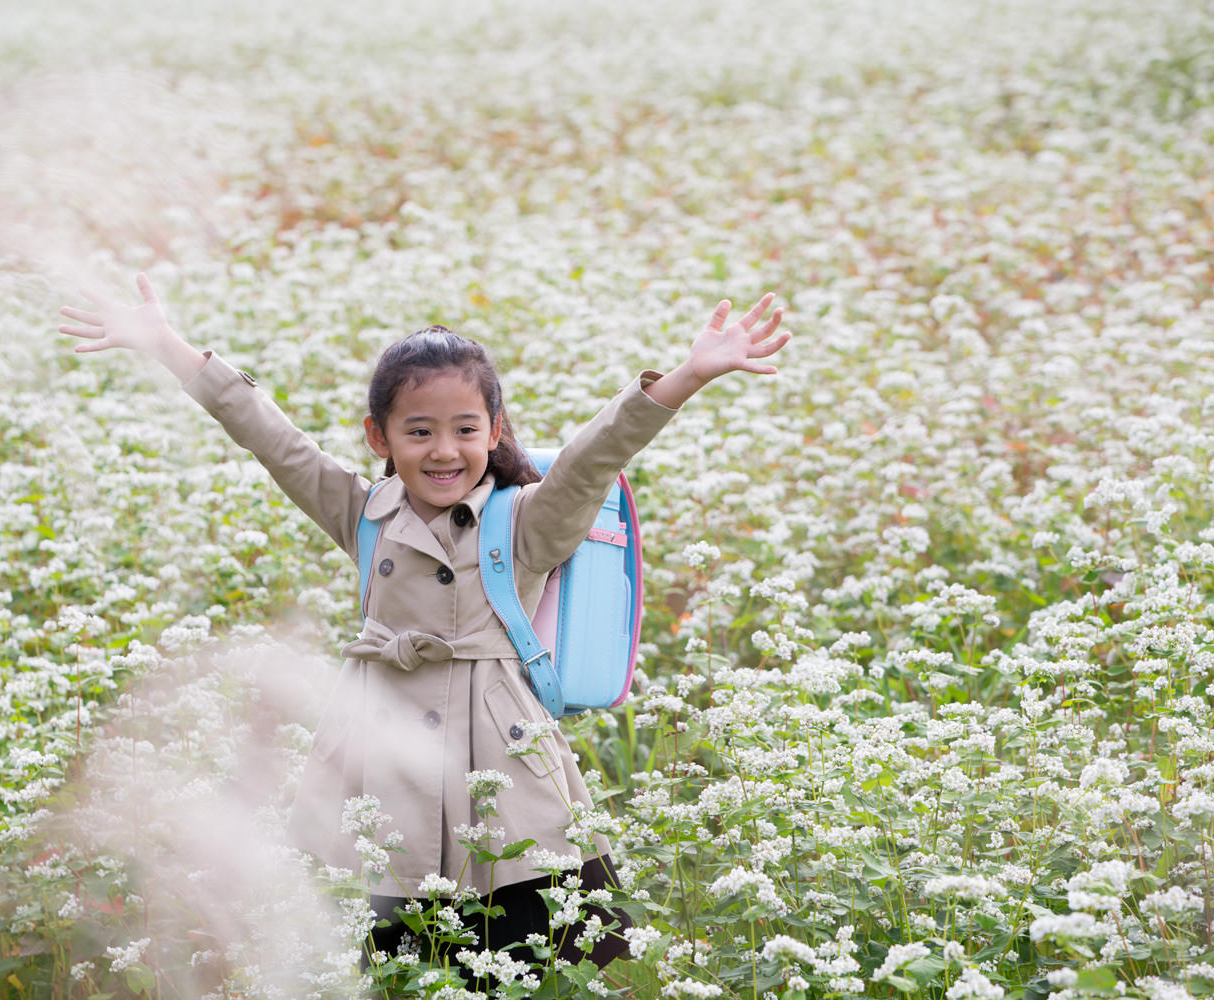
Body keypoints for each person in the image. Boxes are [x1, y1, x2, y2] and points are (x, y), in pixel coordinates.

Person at [58, 274, 789, 969]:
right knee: (402, 955)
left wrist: (689, 375)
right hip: (383, 757)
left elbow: (596, 455)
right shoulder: (363, 514)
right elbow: (271, 438)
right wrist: (169, 347)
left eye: (465, 429)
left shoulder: (527, 520)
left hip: (505, 769)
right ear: (379, 438)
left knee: (556, 950)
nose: (444, 451)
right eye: (419, 432)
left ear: (494, 429)